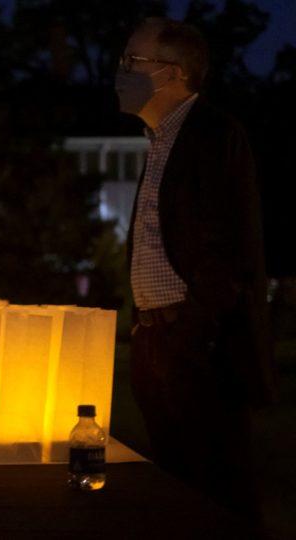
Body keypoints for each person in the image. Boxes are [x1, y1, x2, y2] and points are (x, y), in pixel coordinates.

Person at [118, 18, 276, 521]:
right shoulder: (160, 139)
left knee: (216, 489)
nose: (121, 71)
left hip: (196, 347)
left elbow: (225, 249)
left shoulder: (211, 135)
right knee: (176, 487)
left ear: (173, 72)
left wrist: (189, 330)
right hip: (157, 341)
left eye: (132, 62)